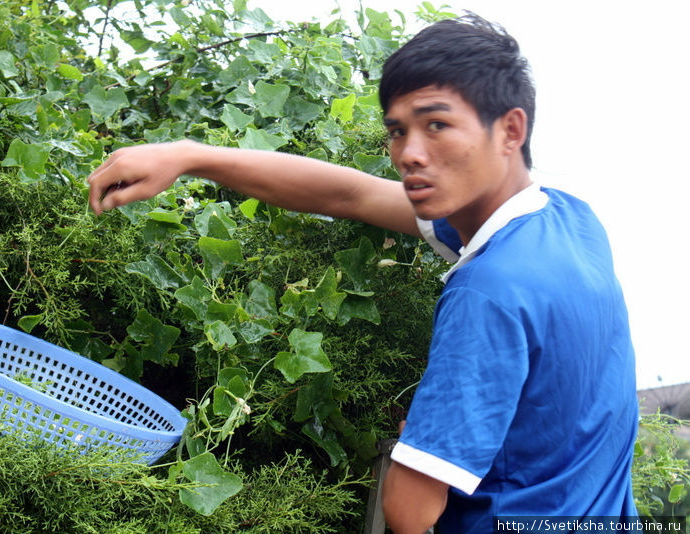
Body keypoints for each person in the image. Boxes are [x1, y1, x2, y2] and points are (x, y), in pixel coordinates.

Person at [87, 14, 639, 534]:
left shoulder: (489, 292)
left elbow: (408, 510)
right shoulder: (570, 220)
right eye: (399, 131)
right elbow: (352, 193)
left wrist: (415, 449)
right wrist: (190, 156)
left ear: (510, 129)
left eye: (437, 124)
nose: (410, 154)